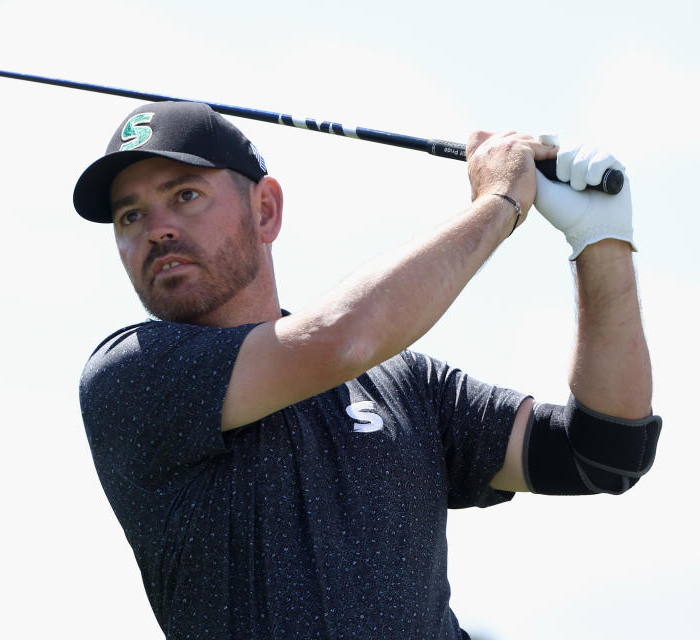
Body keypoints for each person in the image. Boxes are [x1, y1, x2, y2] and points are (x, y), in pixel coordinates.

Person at [73, 101, 661, 640]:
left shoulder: (404, 385)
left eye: (185, 196)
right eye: (129, 216)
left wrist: (601, 240)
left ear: (266, 210)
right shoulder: (132, 374)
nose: (157, 229)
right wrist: (499, 204)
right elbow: (343, 338)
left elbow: (605, 452)